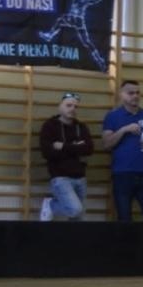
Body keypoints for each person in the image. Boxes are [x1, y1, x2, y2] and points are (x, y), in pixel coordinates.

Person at [101, 79, 143, 221]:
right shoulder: (113, 116)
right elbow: (107, 144)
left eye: (138, 92)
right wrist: (124, 130)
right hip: (122, 174)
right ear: (122, 95)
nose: (135, 96)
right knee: (124, 219)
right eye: (131, 93)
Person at [40, 92, 94, 220]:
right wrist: (77, 147)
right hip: (60, 176)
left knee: (78, 217)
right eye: (68, 105)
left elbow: (89, 149)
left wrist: (64, 146)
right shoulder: (50, 126)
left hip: (81, 176)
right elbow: (48, 153)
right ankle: (51, 205)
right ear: (60, 107)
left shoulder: (81, 127)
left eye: (75, 107)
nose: (72, 109)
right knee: (75, 210)